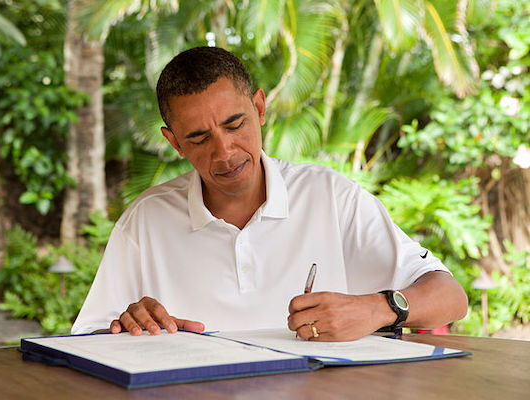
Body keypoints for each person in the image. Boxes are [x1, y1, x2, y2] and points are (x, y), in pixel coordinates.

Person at [71, 46, 468, 341]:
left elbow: (451, 297)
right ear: (174, 143)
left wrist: (377, 309)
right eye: (199, 137)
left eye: (235, 123)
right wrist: (125, 325)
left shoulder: (329, 196)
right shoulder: (146, 220)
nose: (224, 152)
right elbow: (89, 341)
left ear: (260, 108)